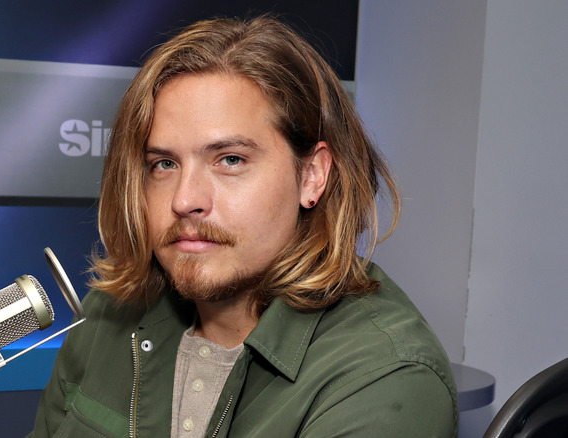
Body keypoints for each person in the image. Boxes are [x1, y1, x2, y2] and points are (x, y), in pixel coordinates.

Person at [28, 15, 457, 438]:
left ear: (311, 176)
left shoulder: (383, 376)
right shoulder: (111, 314)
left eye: (230, 160)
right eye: (164, 164)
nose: (184, 199)